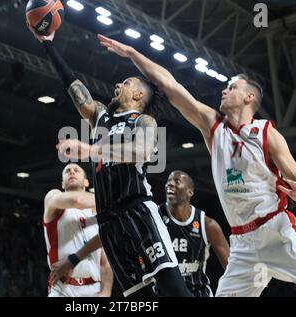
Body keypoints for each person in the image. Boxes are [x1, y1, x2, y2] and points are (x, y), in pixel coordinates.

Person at [98, 34, 296, 297]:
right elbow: (168, 84)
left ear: (249, 97)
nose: (224, 89)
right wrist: (132, 52)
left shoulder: (266, 132)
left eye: (232, 87)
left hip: (276, 231)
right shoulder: (213, 127)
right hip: (243, 244)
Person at [29, 28, 192, 297]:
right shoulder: (100, 118)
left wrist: (92, 150)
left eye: (125, 83)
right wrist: (48, 45)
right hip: (109, 224)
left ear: (139, 96)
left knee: (174, 292)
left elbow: (140, 152)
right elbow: (74, 88)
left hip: (138, 211)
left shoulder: (143, 121)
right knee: (140, 301)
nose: (117, 86)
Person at [43, 163, 113, 297]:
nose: (71, 172)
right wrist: (113, 202)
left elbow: (105, 262)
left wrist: (106, 291)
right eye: (67, 171)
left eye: (76, 170)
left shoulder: (98, 213)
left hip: (94, 288)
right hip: (63, 289)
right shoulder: (53, 198)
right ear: (62, 184)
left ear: (86, 182)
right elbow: (77, 199)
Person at [160, 170, 229, 297]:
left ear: (190, 191)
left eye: (177, 181)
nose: (170, 184)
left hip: (197, 292)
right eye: (168, 181)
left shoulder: (207, 224)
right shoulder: (155, 218)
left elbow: (230, 266)